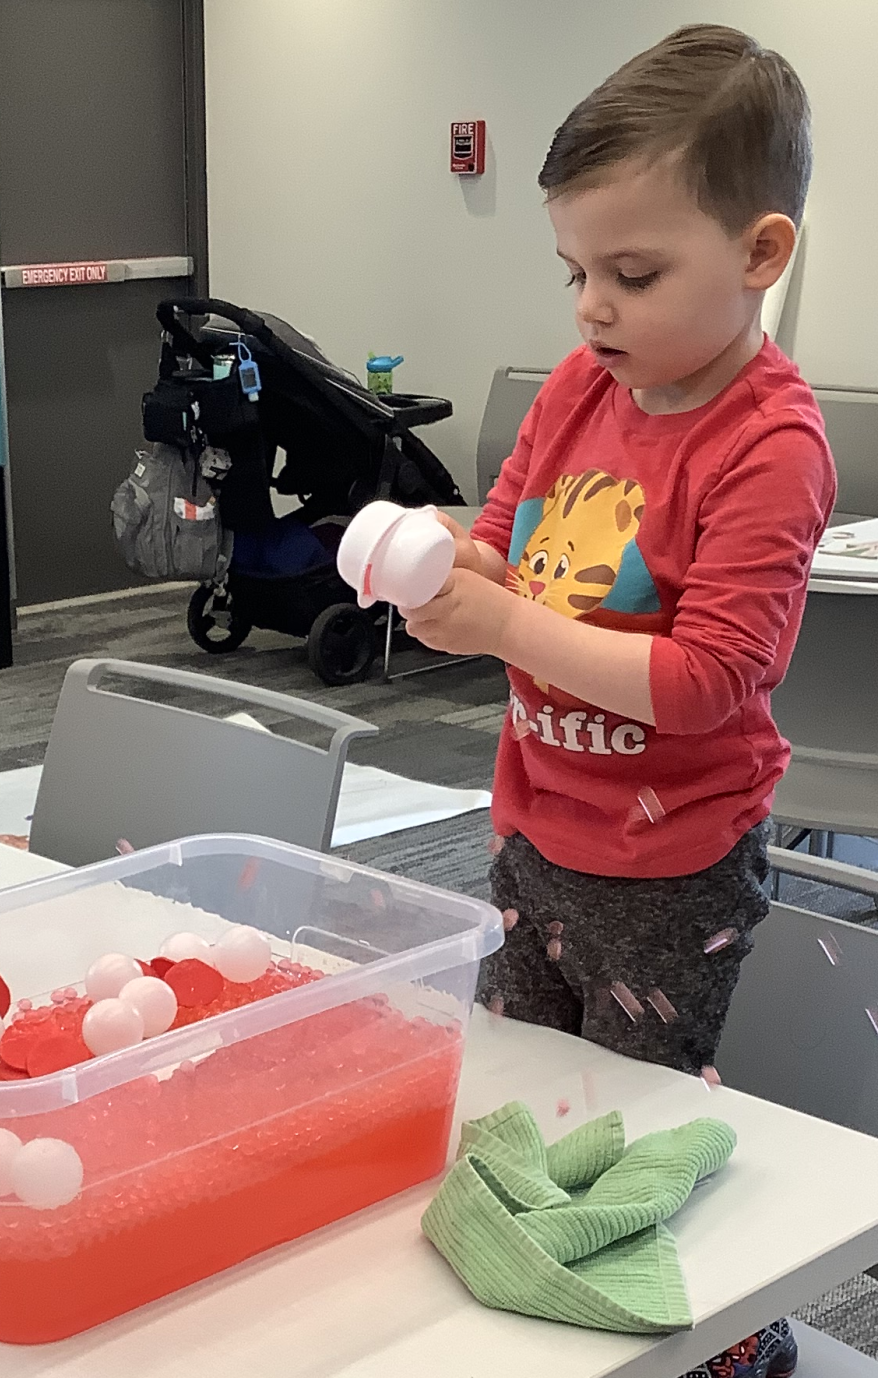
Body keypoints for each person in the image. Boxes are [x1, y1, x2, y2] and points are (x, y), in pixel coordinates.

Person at [404, 26, 834, 1378]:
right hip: (539, 828)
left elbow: (712, 683)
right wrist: (452, 565)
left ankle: (720, 1347)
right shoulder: (588, 383)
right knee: (525, 1113)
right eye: (575, 269)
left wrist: (507, 621)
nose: (589, 307)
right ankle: (540, 1322)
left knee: (638, 1131)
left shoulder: (768, 440)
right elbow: (503, 523)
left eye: (631, 273)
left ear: (761, 255)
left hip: (671, 870)